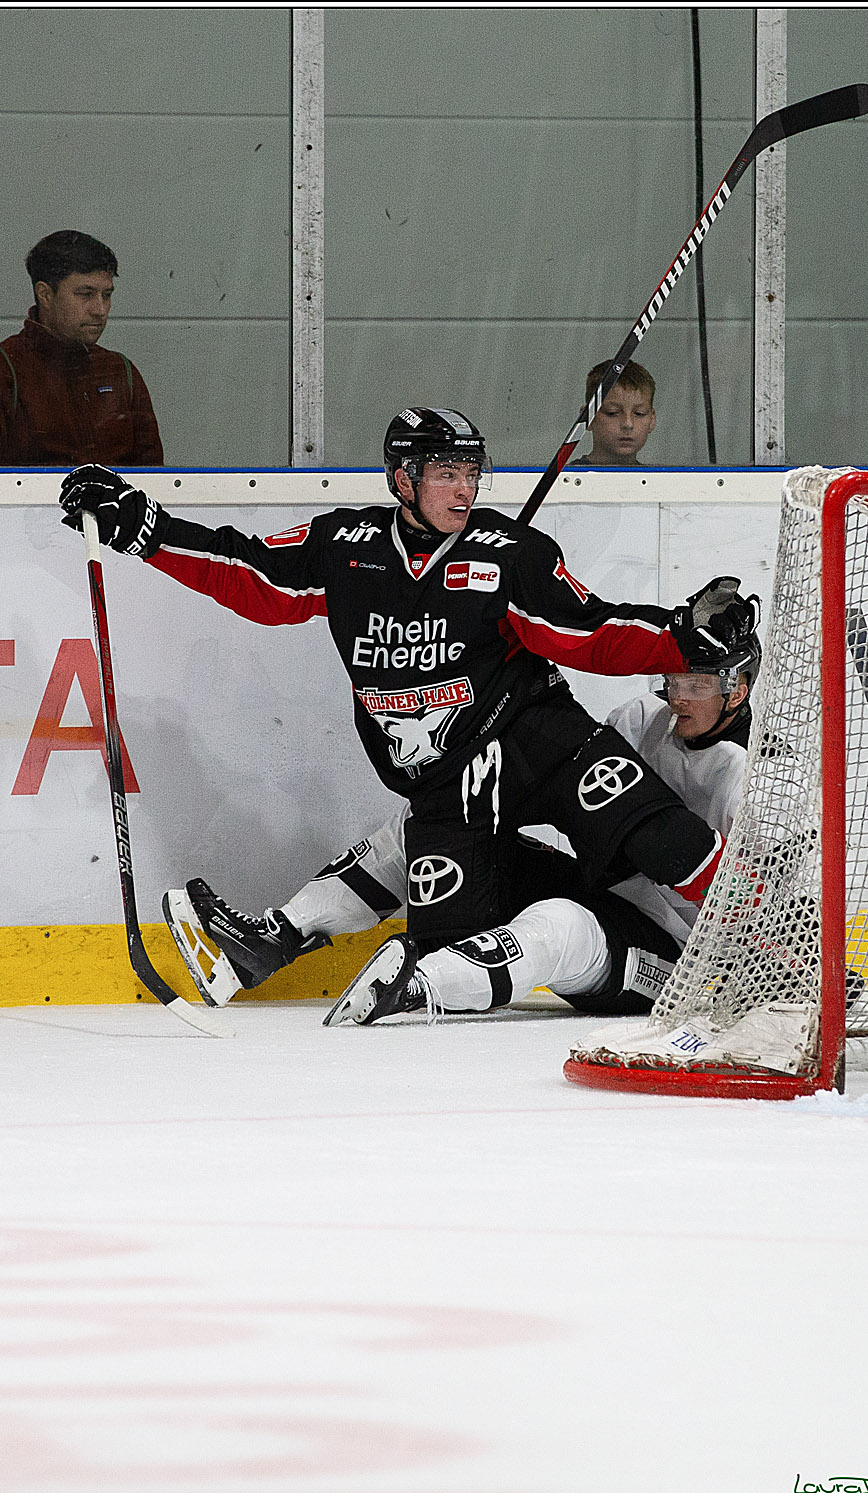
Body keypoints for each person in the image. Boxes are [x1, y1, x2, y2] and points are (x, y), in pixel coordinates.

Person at [58, 407, 754, 962]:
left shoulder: (507, 552)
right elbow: (249, 573)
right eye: (446, 472)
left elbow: (583, 629)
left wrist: (677, 635)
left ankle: (777, 953)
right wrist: (145, 530)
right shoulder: (345, 544)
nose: (464, 488)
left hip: (539, 740)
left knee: (664, 837)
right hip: (446, 780)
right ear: (402, 479)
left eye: (471, 473)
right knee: (451, 942)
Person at [164, 627, 760, 1021]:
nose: (679, 696)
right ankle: (271, 939)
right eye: (675, 679)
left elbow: (775, 910)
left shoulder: (758, 775)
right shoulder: (639, 718)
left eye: (699, 685)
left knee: (559, 927)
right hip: (604, 888)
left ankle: (418, 987)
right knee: (433, 822)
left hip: (669, 960)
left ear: (738, 688)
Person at [0, 229, 163, 467]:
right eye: (85, 294)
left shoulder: (121, 372)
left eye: (107, 295)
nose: (100, 309)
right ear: (45, 294)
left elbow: (152, 485)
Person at [570, 359, 657, 467]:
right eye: (612, 413)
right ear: (587, 417)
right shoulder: (567, 478)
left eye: (639, 413)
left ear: (652, 420)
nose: (628, 424)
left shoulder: (657, 480)